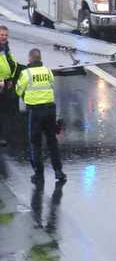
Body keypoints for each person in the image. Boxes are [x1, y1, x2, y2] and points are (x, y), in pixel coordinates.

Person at [16, 48, 66, 186]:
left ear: (30, 59)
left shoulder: (26, 73)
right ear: (40, 58)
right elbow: (51, 85)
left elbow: (19, 90)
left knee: (35, 143)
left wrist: (26, 96)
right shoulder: (47, 70)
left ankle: (39, 174)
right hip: (50, 109)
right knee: (52, 142)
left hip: (35, 111)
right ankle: (58, 171)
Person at [0, 25, 20, 147]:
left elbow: (10, 62)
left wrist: (12, 77)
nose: (4, 37)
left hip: (6, 82)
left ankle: (4, 136)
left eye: (6, 35)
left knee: (5, 111)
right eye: (1, 35)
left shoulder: (5, 46)